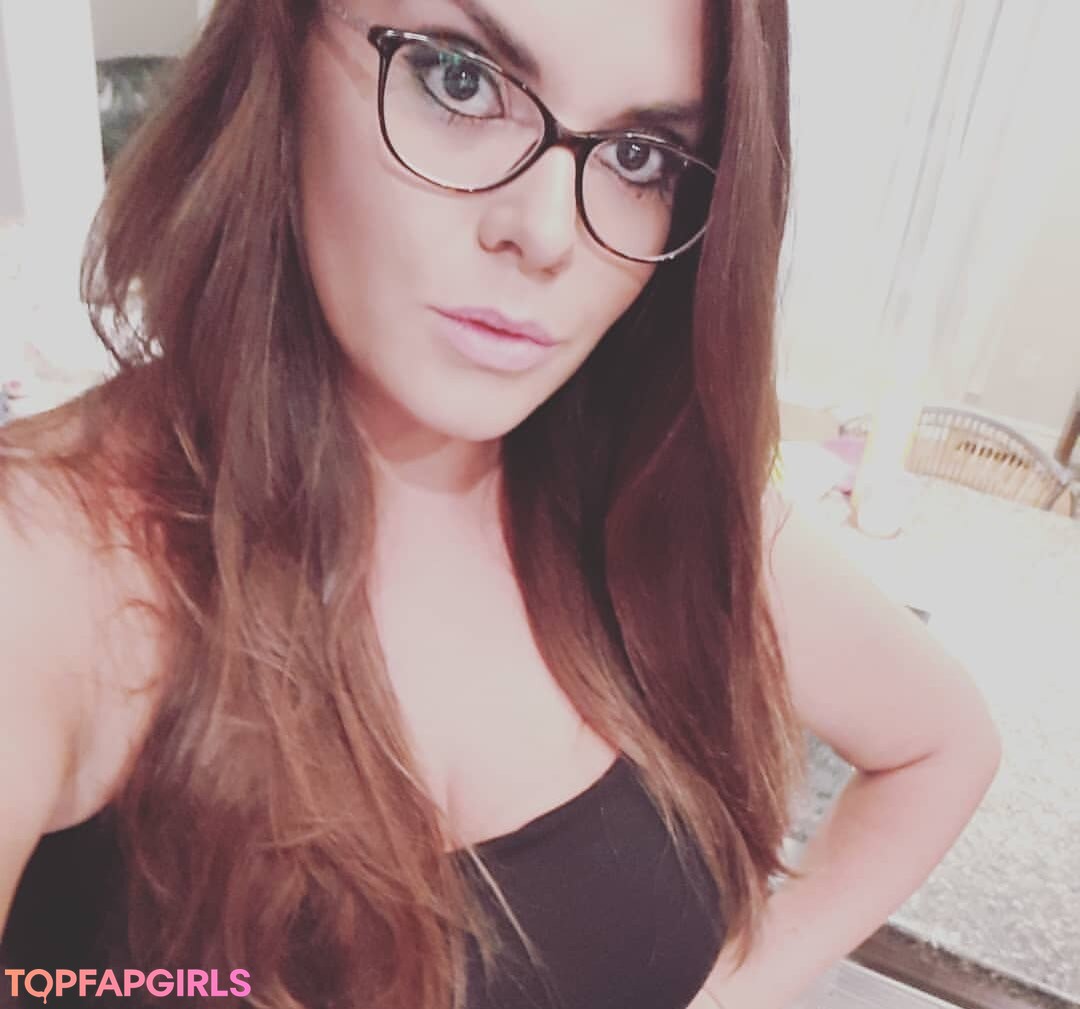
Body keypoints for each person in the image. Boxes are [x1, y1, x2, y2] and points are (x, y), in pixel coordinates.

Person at [0, 1, 1002, 1008]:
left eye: (642, 157)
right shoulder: (49, 566)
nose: (547, 232)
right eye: (461, 80)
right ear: (281, 47)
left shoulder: (647, 497)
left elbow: (941, 745)